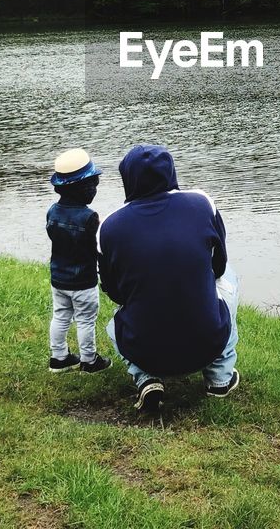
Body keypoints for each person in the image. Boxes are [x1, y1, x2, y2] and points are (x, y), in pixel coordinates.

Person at [99, 143, 239, 412]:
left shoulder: (109, 227)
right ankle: (219, 378)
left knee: (114, 322)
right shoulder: (202, 203)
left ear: (127, 178)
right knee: (228, 277)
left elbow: (115, 292)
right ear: (171, 172)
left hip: (145, 349)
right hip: (207, 343)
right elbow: (219, 265)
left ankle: (146, 377)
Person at [46, 148, 111, 374]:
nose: (95, 189)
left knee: (60, 316)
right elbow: (98, 249)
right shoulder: (90, 217)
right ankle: (89, 360)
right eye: (93, 184)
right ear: (82, 188)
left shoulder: (52, 212)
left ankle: (59, 357)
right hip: (83, 281)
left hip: (59, 278)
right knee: (85, 320)